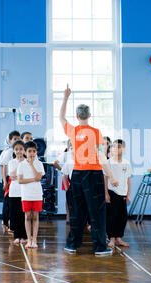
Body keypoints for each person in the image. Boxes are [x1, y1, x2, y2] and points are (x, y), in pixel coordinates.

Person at [60, 84, 119, 256]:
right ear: (89, 115)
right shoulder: (96, 132)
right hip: (93, 174)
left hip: (77, 174)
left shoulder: (73, 130)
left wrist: (65, 97)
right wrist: (112, 176)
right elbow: (102, 157)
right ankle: (100, 247)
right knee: (97, 211)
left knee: (77, 210)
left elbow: (61, 117)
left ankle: (72, 245)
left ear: (77, 116)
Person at [104, 139, 132, 248]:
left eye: (119, 146)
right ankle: (111, 238)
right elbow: (105, 179)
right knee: (111, 216)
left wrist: (128, 194)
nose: (116, 148)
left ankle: (119, 238)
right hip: (112, 192)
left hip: (123, 194)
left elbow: (128, 179)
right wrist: (106, 194)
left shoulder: (126, 163)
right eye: (114, 146)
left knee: (122, 217)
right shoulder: (108, 162)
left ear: (123, 149)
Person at [17, 141, 45, 249]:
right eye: (29, 151)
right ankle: (29, 239)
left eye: (34, 151)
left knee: (36, 216)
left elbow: (39, 177)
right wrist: (34, 179)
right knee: (28, 216)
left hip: (37, 194)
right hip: (26, 194)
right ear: (25, 152)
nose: (32, 153)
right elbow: (20, 180)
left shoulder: (39, 164)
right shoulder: (21, 165)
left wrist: (32, 164)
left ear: (36, 152)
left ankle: (35, 239)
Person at [0, 130, 21, 233]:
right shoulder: (8, 152)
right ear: (10, 140)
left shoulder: (20, 151)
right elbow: (4, 167)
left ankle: (13, 222)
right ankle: (5, 221)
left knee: (15, 202)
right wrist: (4, 182)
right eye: (15, 139)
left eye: (18, 138)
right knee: (7, 202)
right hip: (9, 179)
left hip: (18, 179)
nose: (17, 140)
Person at [7, 140, 27, 245]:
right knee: (15, 214)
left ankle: (24, 236)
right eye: (16, 149)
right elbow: (12, 175)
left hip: (25, 192)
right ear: (14, 151)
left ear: (24, 150)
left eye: (21, 149)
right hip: (14, 192)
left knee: (24, 215)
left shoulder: (28, 161)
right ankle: (17, 236)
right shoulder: (11, 162)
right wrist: (19, 163)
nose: (19, 151)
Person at [60, 140, 74, 224]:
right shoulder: (66, 155)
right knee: (69, 200)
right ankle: (68, 215)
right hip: (70, 180)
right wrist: (66, 188)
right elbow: (64, 175)